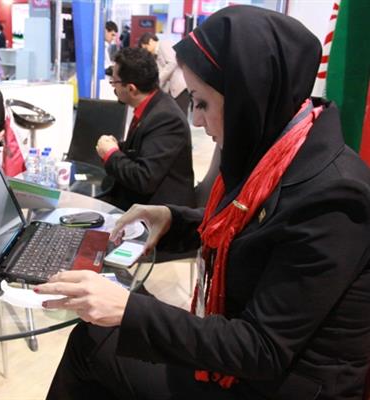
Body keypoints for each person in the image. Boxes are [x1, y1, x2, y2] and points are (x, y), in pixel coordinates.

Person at [37, 5, 370, 399]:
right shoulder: (282, 147)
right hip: (256, 361)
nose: (195, 120)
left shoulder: (334, 197)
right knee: (107, 328)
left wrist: (128, 310)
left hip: (278, 384)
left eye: (202, 102)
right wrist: (172, 219)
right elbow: (251, 231)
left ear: (248, 98)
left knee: (94, 341)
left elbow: (262, 348)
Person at [96, 47, 194, 211]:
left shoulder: (166, 118)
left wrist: (111, 154)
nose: (113, 88)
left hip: (158, 212)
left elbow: (143, 179)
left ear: (131, 89)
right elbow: (144, 149)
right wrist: (118, 147)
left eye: (114, 82)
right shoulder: (152, 107)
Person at [139, 32, 189, 116]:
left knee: (181, 115)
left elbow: (172, 63)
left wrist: (159, 79)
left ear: (151, 41)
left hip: (180, 87)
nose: (147, 50)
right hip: (173, 89)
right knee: (174, 114)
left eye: (146, 47)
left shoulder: (163, 45)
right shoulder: (156, 54)